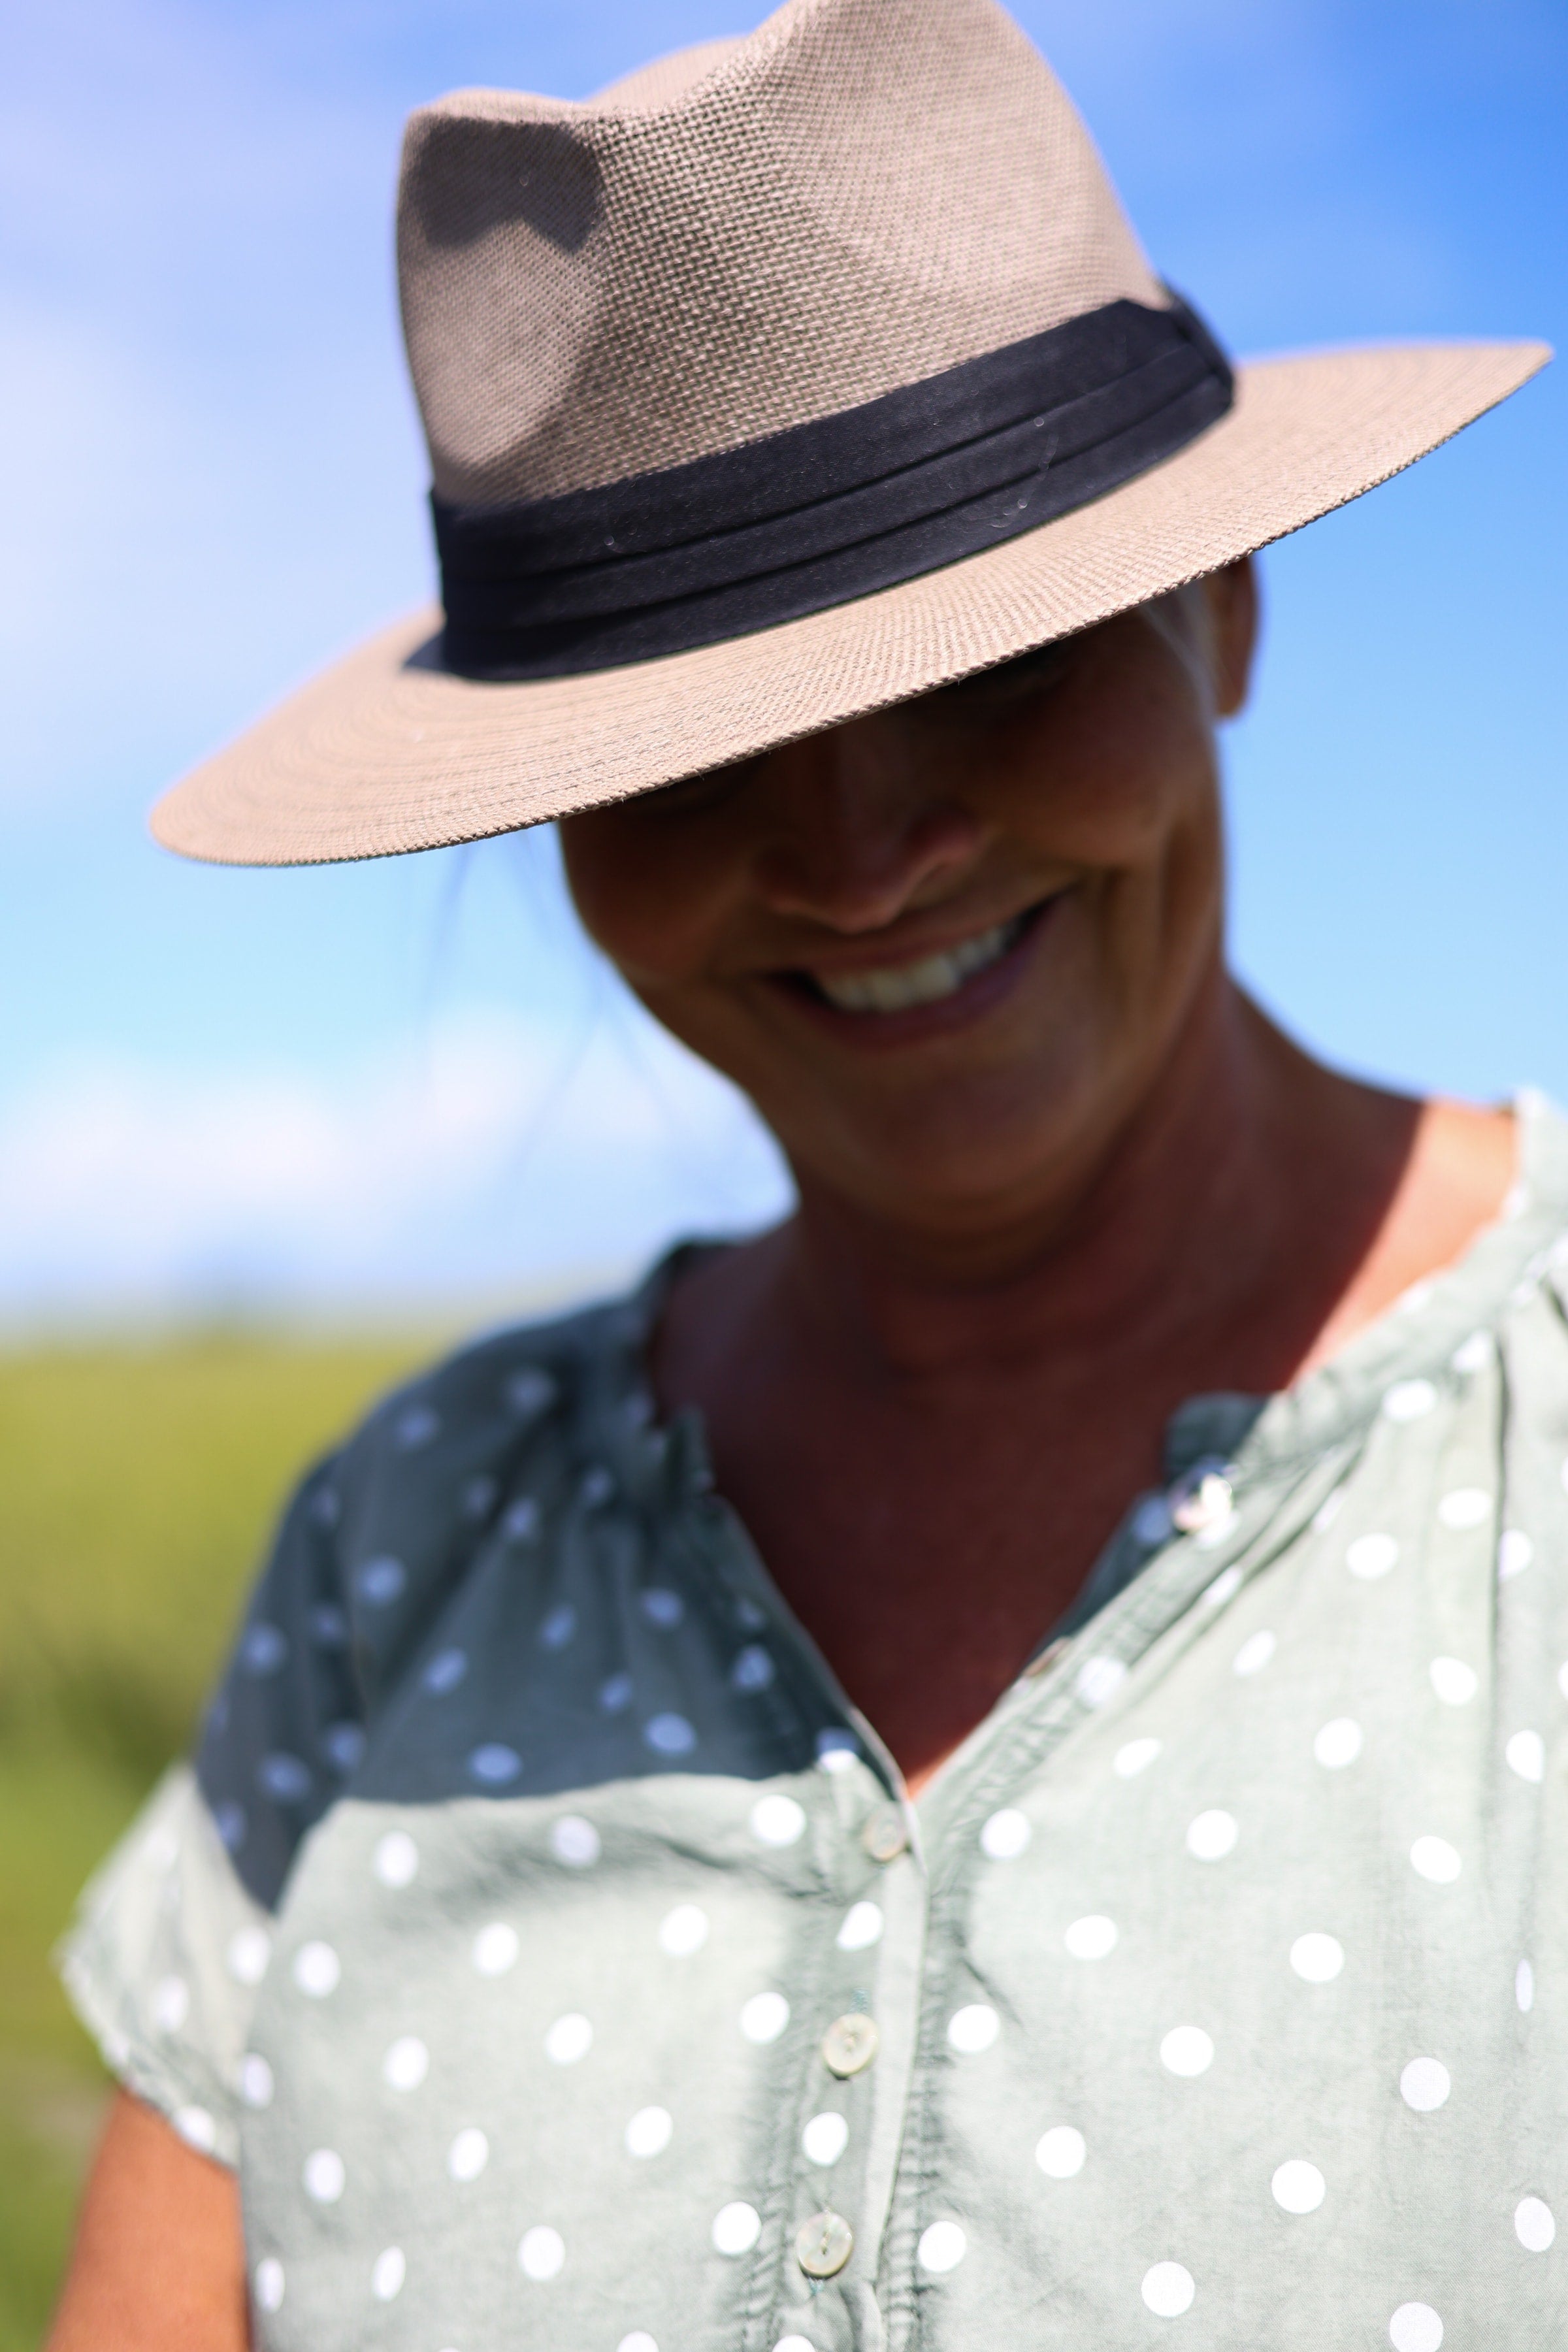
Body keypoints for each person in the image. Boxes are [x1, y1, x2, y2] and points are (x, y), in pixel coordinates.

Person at [48, 1, 1555, 2346]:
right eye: (697, 748)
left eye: (994, 668)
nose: (860, 860)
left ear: (1222, 613)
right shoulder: (411, 1546)